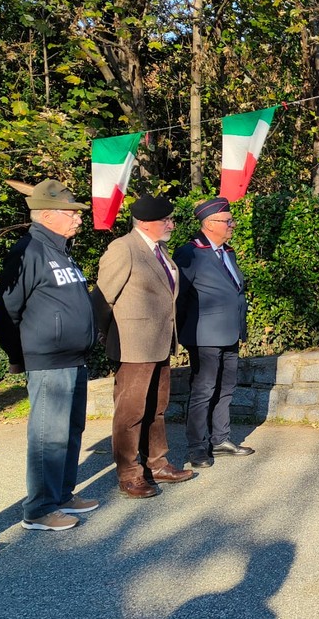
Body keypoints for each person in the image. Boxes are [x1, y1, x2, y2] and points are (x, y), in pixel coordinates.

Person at [0, 179, 99, 532]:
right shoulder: (30, 250)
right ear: (48, 215)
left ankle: (62, 494)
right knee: (47, 435)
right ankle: (38, 509)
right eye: (72, 213)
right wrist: (20, 355)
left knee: (69, 431)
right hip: (49, 360)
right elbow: (4, 312)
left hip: (73, 357)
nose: (79, 219)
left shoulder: (60, 249)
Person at [92, 195, 194, 498]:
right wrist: (106, 335)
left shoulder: (159, 249)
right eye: (167, 220)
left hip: (160, 343)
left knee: (157, 408)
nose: (172, 224)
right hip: (133, 346)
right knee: (130, 412)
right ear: (146, 223)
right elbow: (101, 299)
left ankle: (157, 463)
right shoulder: (123, 249)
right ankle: (129, 473)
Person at [173, 197, 253, 468]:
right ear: (209, 224)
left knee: (227, 388)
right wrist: (183, 331)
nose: (232, 224)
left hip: (230, 332)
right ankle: (197, 446)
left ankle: (220, 439)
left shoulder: (227, 251)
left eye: (231, 220)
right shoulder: (190, 252)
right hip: (203, 335)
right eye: (227, 220)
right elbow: (179, 296)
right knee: (203, 390)